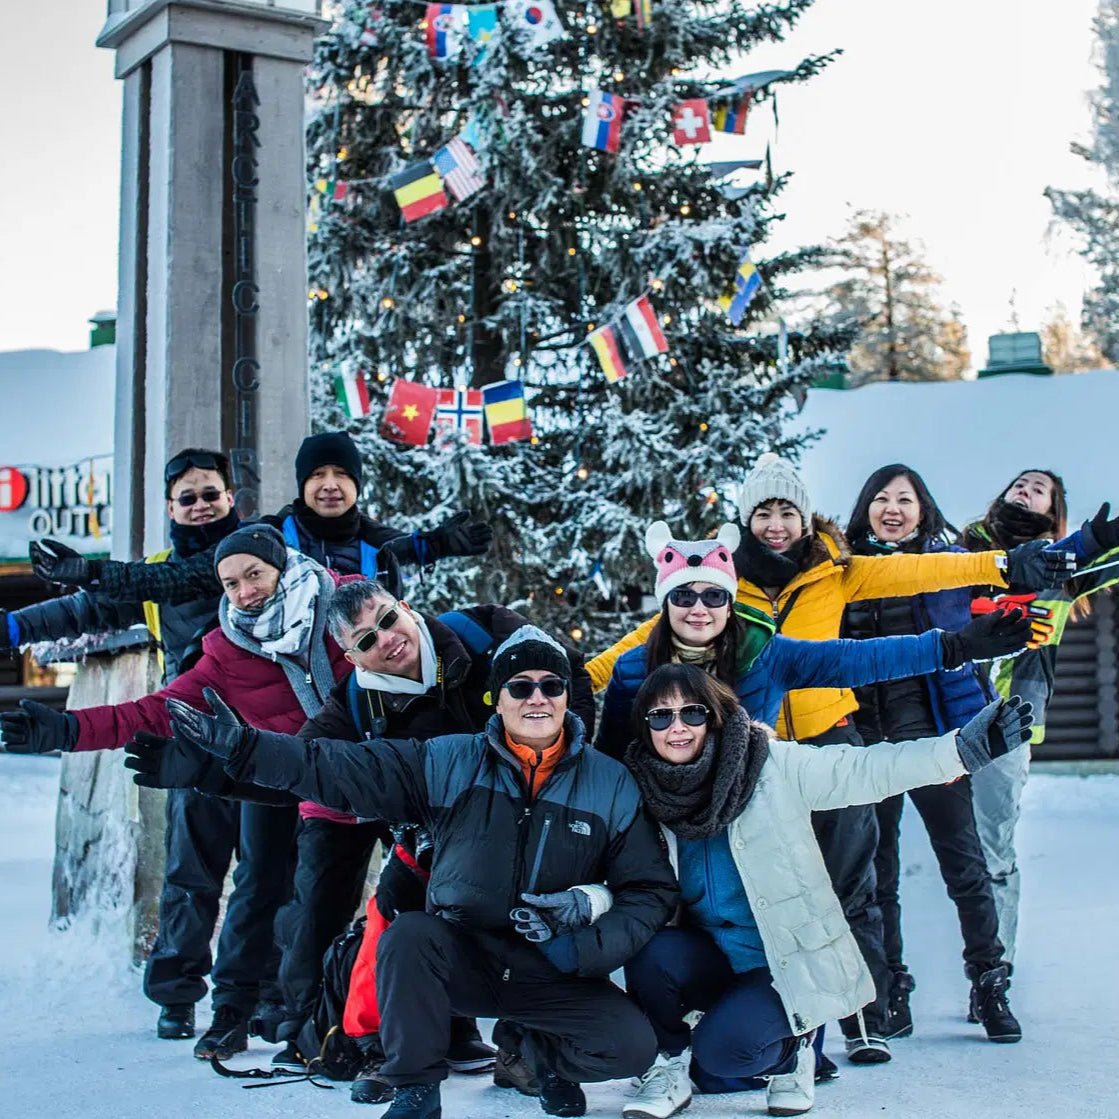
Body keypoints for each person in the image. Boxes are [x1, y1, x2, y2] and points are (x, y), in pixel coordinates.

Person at [587, 451, 1072, 1065]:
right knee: (701, 907)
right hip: (697, 799)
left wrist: (962, 638)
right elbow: (601, 699)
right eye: (762, 512)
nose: (700, 607)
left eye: (787, 509)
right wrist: (529, 688)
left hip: (795, 763)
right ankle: (698, 1033)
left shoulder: (784, 628)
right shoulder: (656, 647)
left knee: (842, 882)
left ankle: (847, 1018)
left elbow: (868, 648)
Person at [158, 625, 678, 1119]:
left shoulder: (610, 783)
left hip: (553, 963)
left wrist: (583, 949)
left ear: (567, 694)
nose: (536, 697)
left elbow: (648, 890)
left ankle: (537, 1056)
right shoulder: (449, 760)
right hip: (462, 956)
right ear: (497, 696)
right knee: (407, 936)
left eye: (551, 684)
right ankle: (416, 1090)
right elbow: (336, 766)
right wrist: (243, 751)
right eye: (519, 686)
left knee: (630, 1047)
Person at [0, 525, 354, 1061]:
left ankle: (347, 1019)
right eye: (230, 584)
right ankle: (234, 1012)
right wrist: (67, 730)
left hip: (366, 773)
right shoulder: (228, 646)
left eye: (254, 575)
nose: (244, 593)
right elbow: (152, 712)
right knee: (262, 891)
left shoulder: (342, 606)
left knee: (349, 900)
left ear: (282, 566)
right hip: (281, 780)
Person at [620, 663, 1033, 1119]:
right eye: (661, 716)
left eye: (692, 713)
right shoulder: (646, 789)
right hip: (711, 955)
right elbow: (618, 871)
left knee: (725, 1056)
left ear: (715, 716)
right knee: (651, 948)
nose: (677, 727)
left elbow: (867, 768)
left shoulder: (770, 766)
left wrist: (959, 751)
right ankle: (669, 1065)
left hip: (785, 963)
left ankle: (793, 1055)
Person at [2, 449, 246, 1045]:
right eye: (187, 497)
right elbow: (83, 609)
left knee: (274, 877)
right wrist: (12, 627)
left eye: (210, 494)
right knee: (191, 874)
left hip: (269, 734)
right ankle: (177, 995)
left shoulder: (255, 557)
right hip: (191, 740)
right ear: (170, 507)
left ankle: (261, 998)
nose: (200, 505)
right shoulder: (154, 572)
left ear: (231, 498)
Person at [842, 464, 1054, 1042]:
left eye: (905, 499)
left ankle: (989, 981)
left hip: (937, 741)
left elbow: (1016, 580)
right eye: (880, 498)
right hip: (866, 747)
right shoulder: (840, 572)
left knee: (965, 864)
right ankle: (891, 987)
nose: (892, 509)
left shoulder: (950, 565)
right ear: (864, 509)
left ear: (923, 508)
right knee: (876, 872)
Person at [27, 430, 492, 606]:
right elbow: (178, 578)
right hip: (280, 693)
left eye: (341, 475)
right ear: (301, 483)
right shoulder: (266, 535)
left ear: (357, 485)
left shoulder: (380, 544)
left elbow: (421, 546)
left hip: (361, 687)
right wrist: (90, 571)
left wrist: (447, 543)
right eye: (318, 475)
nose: (330, 484)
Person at [959, 469, 1119, 966]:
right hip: (942, 710)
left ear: (1053, 510)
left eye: (1038, 488)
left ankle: (993, 969)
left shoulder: (1067, 568)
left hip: (1011, 720)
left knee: (993, 851)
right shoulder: (962, 552)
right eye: (1019, 483)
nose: (1024, 490)